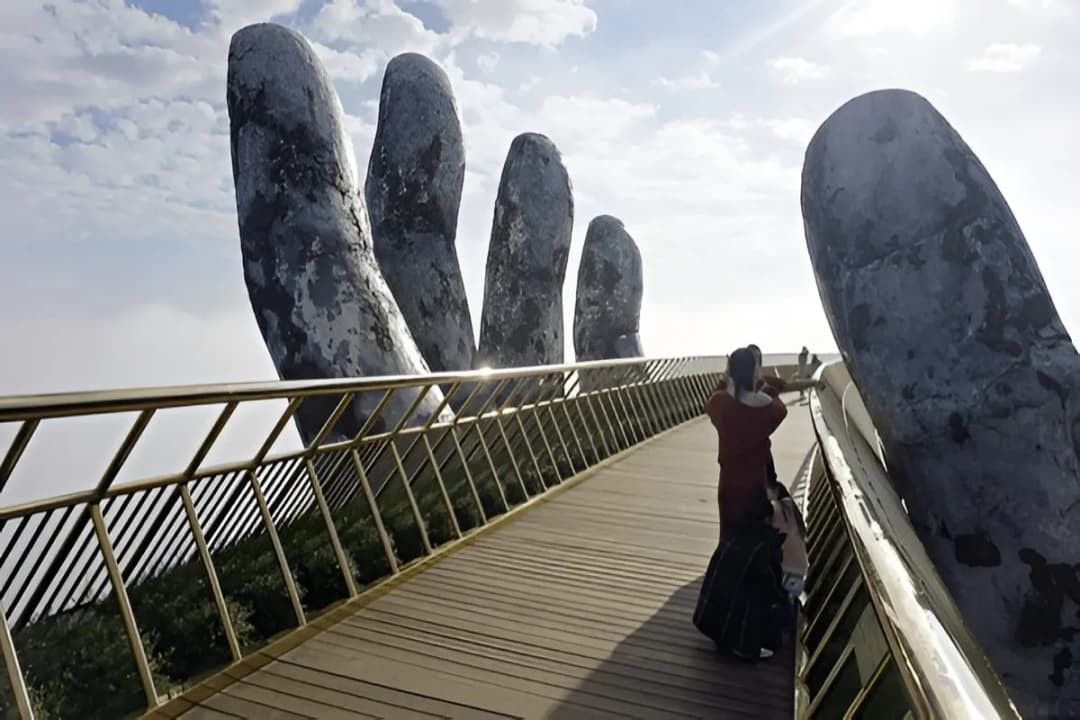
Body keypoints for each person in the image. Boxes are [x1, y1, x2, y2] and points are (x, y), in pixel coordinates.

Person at [695, 347, 790, 660]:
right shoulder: (770, 412)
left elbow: (714, 395)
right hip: (756, 492)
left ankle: (726, 624)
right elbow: (776, 401)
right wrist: (763, 382)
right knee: (755, 560)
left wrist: (731, 382)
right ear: (755, 372)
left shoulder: (721, 406)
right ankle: (749, 633)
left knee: (730, 554)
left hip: (729, 490)